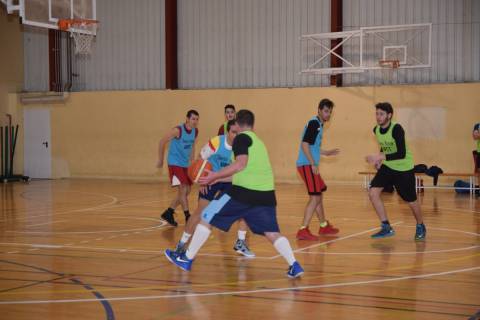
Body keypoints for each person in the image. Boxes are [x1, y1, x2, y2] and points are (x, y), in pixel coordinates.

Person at [164, 109, 304, 278]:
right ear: (252, 124)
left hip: (244, 194)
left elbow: (240, 165)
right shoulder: (259, 142)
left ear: (237, 123)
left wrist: (215, 174)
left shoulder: (241, 139)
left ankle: (186, 258)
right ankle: (294, 265)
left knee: (207, 216)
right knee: (271, 232)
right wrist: (218, 180)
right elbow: (243, 173)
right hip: (266, 194)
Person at [171, 119, 255, 258]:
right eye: (234, 132)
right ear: (227, 131)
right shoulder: (216, 142)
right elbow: (200, 159)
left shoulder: (241, 148)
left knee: (244, 207)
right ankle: (181, 244)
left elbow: (242, 169)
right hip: (211, 178)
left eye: (238, 133)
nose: (236, 135)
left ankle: (240, 241)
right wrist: (202, 180)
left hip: (229, 179)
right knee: (200, 212)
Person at [366, 102, 426, 240]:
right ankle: (386, 227)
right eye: (377, 114)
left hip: (403, 168)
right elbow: (384, 146)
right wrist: (379, 160)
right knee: (373, 193)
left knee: (410, 200)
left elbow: (401, 153)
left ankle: (420, 225)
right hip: (388, 166)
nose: (378, 117)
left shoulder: (397, 128)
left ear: (389, 115)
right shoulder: (376, 130)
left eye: (381, 114)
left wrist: (380, 156)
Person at [296, 99, 340, 240]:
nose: (328, 114)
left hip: (309, 164)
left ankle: (323, 226)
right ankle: (303, 229)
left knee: (319, 194)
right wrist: (313, 164)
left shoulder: (318, 125)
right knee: (315, 197)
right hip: (307, 165)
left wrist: (326, 153)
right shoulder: (314, 123)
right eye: (326, 111)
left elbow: (312, 146)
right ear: (319, 110)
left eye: (330, 112)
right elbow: (304, 145)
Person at [157, 110, 199, 226]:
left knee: (187, 191)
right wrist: (160, 160)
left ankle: (169, 212)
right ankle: (187, 216)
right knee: (183, 189)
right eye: (193, 119)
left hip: (185, 164)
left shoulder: (195, 131)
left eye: (196, 119)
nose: (195, 121)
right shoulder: (178, 130)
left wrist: (192, 162)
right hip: (174, 163)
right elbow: (162, 142)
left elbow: (192, 146)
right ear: (187, 119)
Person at [473, 123, 480, 195]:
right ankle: (478, 188)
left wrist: (478, 133)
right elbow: (475, 137)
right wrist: (477, 134)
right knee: (478, 171)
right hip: (479, 152)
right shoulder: (477, 125)